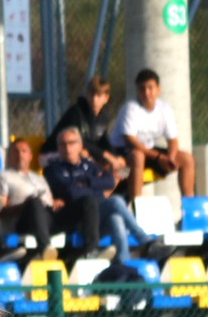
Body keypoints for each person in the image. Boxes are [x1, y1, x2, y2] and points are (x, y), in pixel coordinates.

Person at [46, 126, 161, 263]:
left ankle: (123, 263)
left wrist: (85, 182)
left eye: (72, 143)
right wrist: (95, 184)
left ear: (80, 146)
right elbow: (72, 193)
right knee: (116, 201)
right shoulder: (54, 170)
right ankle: (144, 240)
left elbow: (109, 181)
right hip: (81, 221)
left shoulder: (88, 165)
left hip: (101, 216)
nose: (67, 148)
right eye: (63, 144)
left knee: (116, 219)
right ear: (58, 148)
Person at [111, 67, 196, 200]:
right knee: (137, 156)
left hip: (149, 152)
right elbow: (130, 141)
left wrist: (171, 158)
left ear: (158, 89)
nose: (146, 92)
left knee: (186, 159)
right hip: (123, 151)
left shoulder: (165, 109)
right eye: (142, 89)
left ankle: (189, 209)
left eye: (150, 88)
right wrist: (159, 158)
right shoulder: (130, 108)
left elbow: (173, 140)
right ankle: (138, 208)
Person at [0, 138, 53, 260]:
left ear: (30, 156)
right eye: (15, 151)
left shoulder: (40, 179)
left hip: (47, 218)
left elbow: (50, 201)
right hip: (21, 220)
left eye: (24, 151)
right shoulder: (2, 177)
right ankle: (45, 248)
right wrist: (26, 205)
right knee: (34, 201)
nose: (20, 155)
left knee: (85, 202)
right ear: (9, 157)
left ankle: (90, 247)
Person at [42, 78, 125, 178]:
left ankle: (103, 193)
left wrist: (115, 157)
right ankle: (86, 191)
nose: (94, 99)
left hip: (76, 153)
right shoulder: (76, 112)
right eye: (91, 95)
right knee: (84, 155)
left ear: (106, 98)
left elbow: (103, 141)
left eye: (99, 96)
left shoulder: (103, 118)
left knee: (115, 167)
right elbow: (79, 142)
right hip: (54, 153)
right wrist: (106, 155)